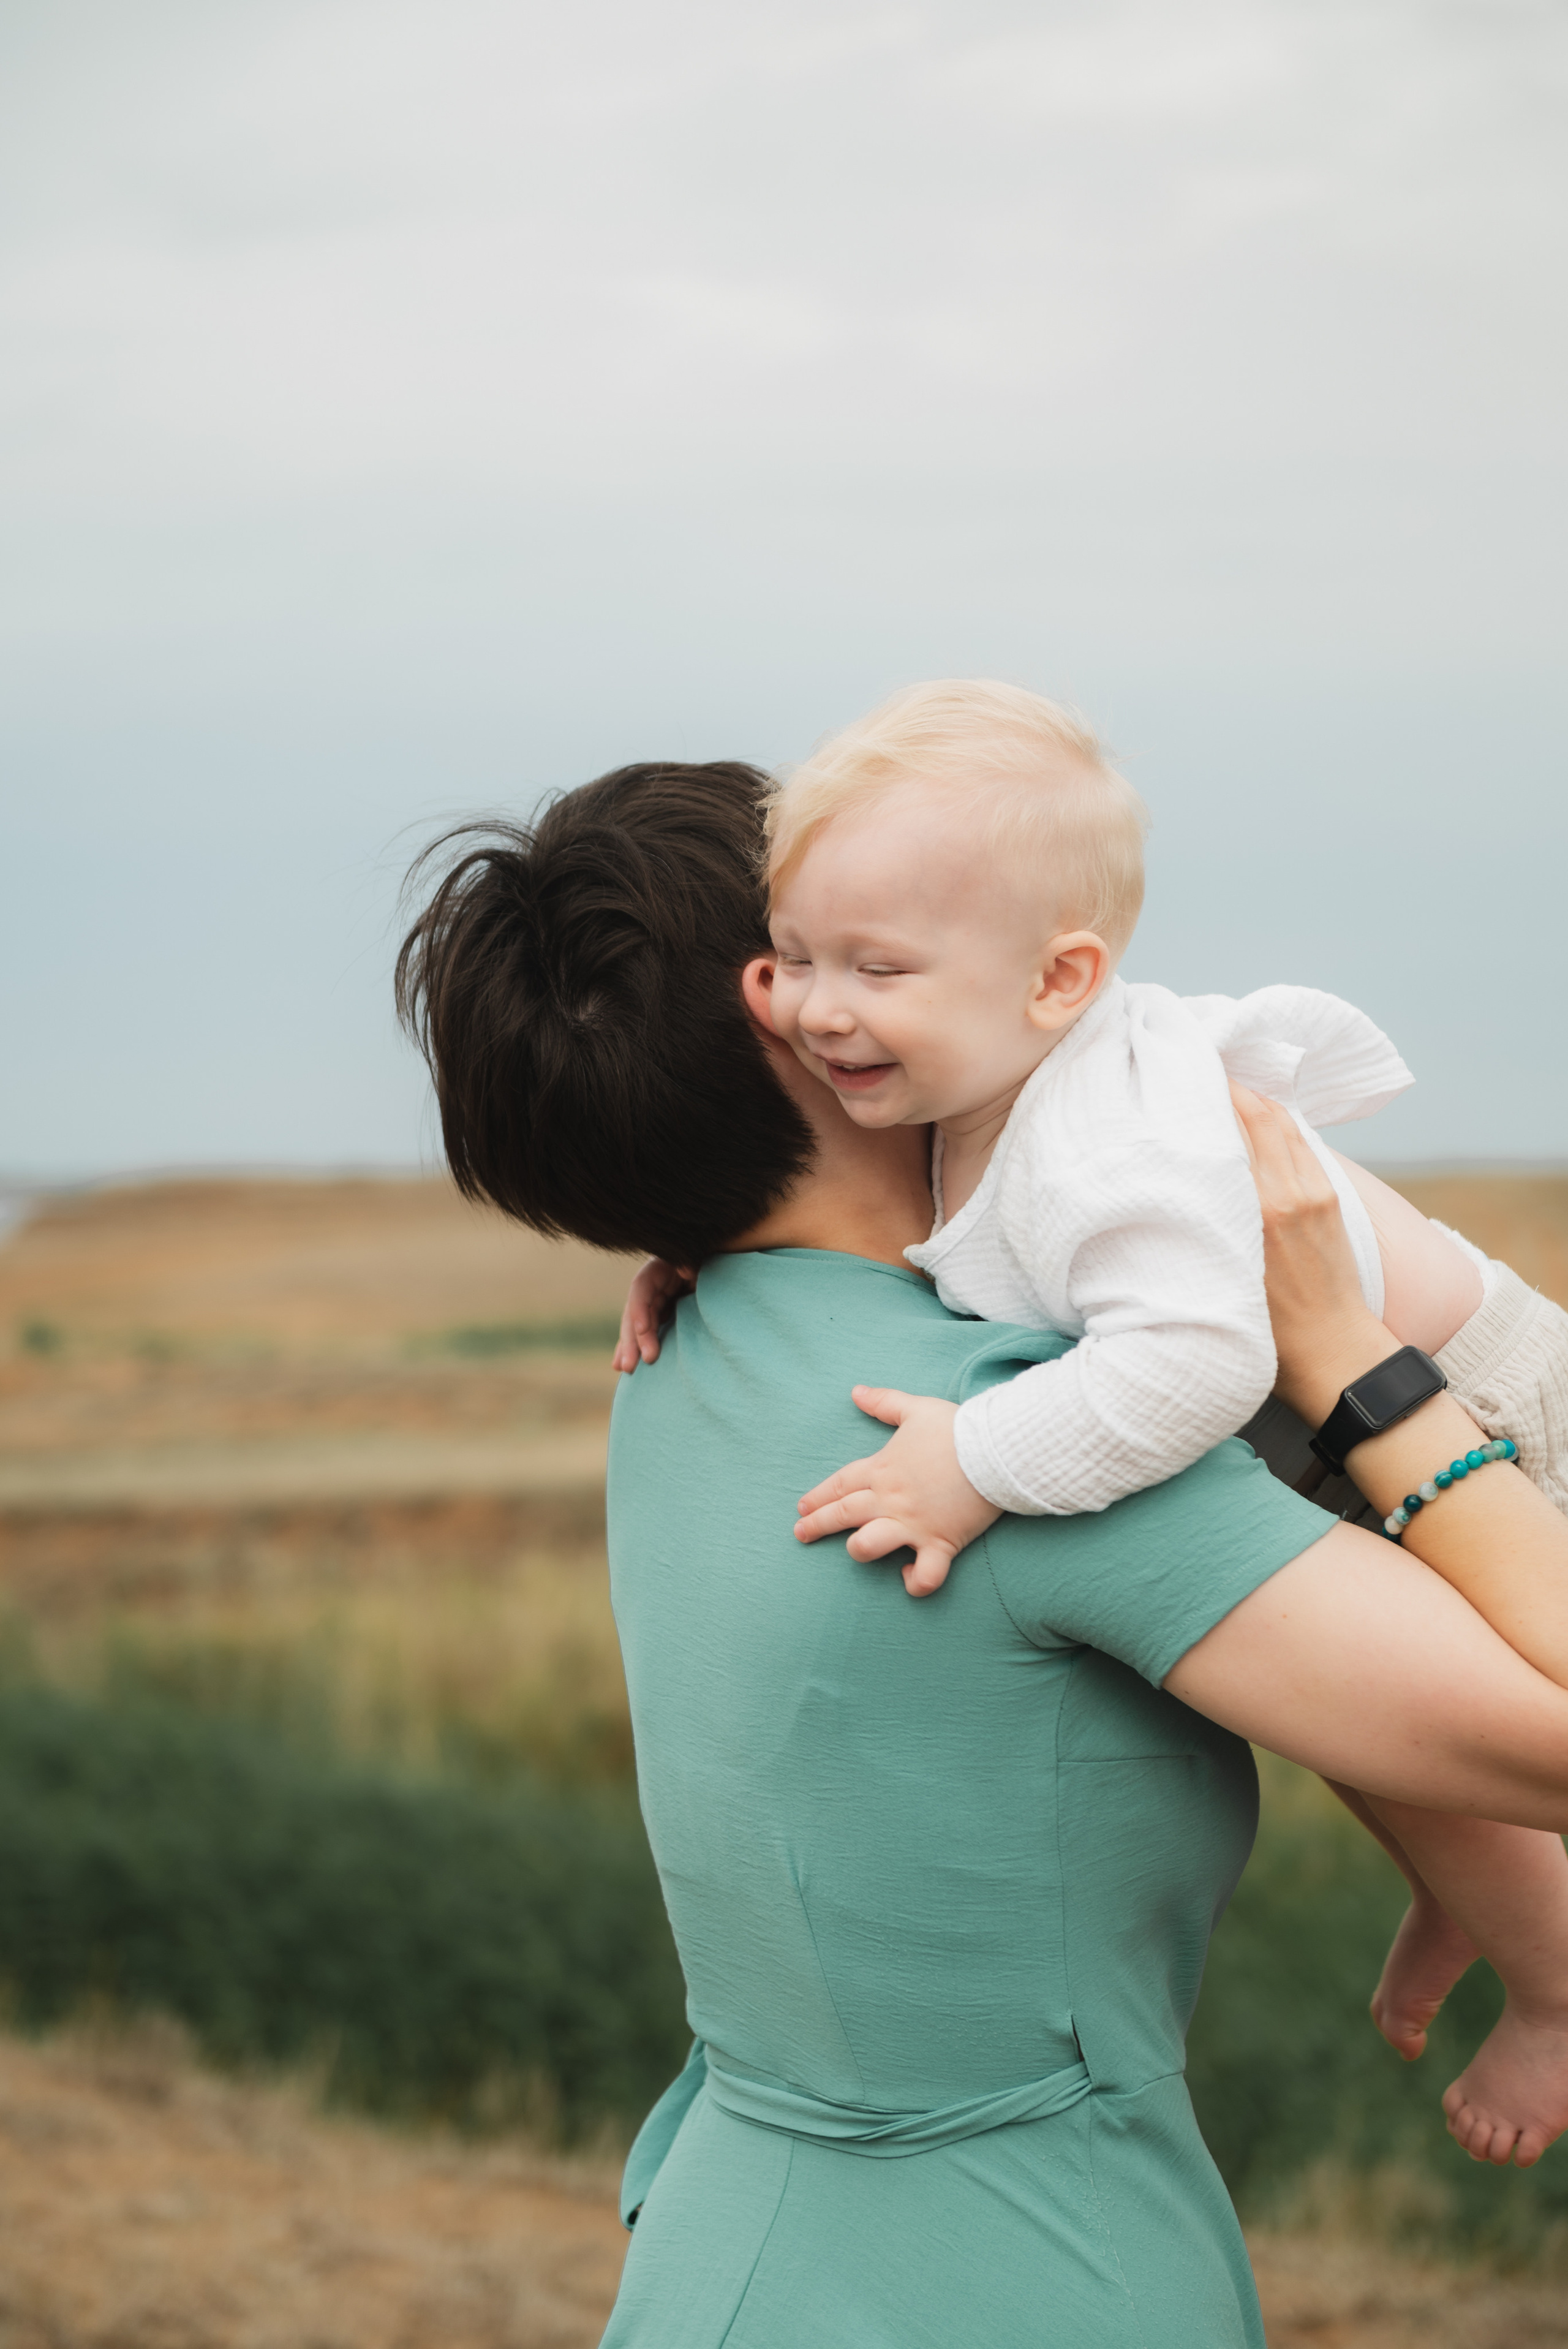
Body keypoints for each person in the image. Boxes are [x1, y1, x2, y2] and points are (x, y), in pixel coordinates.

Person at [398, 762, 1568, 2349]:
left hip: (727, 2253)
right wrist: (1349, 1359)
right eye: (828, 940)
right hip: (1029, 2270)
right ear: (800, 1035)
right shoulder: (1016, 1441)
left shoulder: (683, 1352)